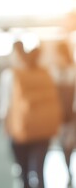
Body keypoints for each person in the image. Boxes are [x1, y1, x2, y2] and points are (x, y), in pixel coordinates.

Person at [0, 42, 61, 188]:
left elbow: (4, 106)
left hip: (20, 129)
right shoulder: (46, 73)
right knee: (39, 171)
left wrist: (5, 126)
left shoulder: (10, 75)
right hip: (44, 129)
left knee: (24, 172)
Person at [49, 42, 76, 187]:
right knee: (64, 146)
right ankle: (69, 171)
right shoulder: (54, 72)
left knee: (69, 145)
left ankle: (70, 171)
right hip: (58, 117)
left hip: (72, 116)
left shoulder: (73, 71)